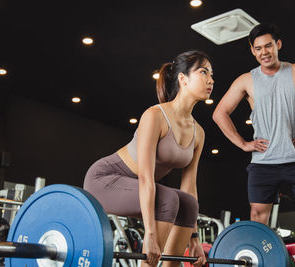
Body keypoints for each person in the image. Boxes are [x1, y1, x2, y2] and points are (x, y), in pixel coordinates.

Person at [212, 24, 295, 267]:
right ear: (252, 50)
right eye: (258, 48)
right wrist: (242, 144)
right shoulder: (246, 80)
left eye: (268, 46)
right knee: (257, 220)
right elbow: (219, 113)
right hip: (264, 164)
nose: (264, 52)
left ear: (278, 45)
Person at [84, 50, 214, 267]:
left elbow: (189, 187)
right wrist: (151, 236)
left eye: (211, 74)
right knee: (168, 200)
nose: (211, 80)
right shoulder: (155, 116)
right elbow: (146, 178)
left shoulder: (198, 133)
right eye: (203, 72)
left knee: (188, 203)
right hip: (105, 180)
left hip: (139, 186)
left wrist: (195, 240)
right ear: (183, 79)